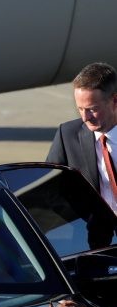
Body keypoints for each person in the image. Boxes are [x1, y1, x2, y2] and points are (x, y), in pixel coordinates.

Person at [47, 61, 117, 214]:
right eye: (80, 109)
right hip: (92, 236)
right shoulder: (67, 135)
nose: (85, 118)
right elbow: (53, 192)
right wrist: (85, 224)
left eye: (92, 109)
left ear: (114, 101)